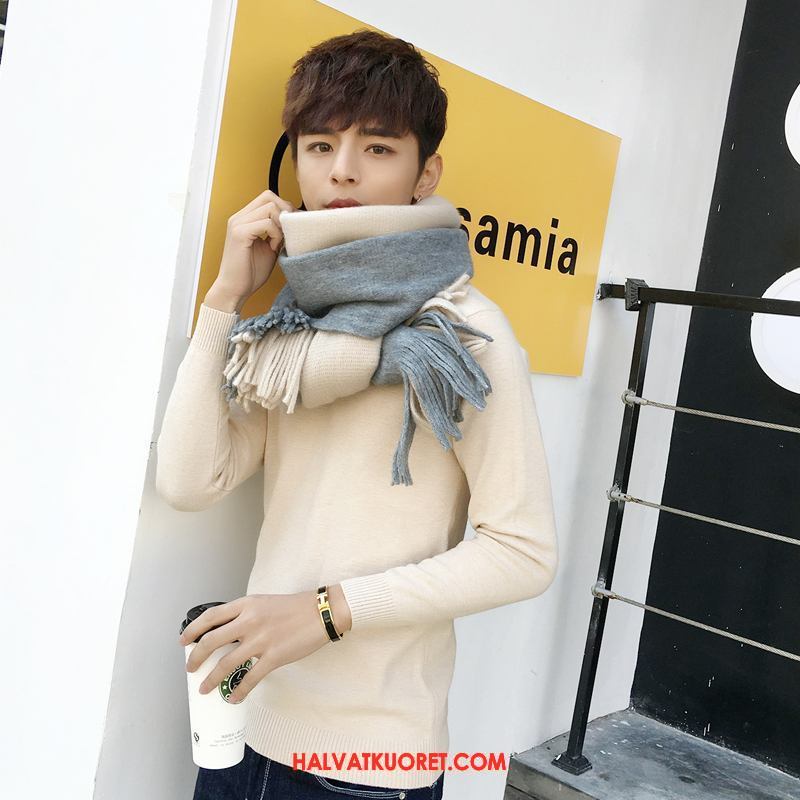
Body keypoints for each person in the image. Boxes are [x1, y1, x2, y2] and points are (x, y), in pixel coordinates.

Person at [157, 28, 558, 800]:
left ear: (424, 172)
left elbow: (524, 551)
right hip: (244, 729)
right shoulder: (290, 327)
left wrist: (328, 611)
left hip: (369, 770)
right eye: (319, 145)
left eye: (376, 147)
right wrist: (225, 300)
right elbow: (188, 480)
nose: (340, 170)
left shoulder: (463, 332)